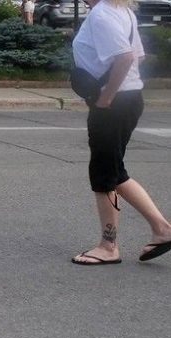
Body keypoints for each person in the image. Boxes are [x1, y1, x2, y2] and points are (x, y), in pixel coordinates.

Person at [70, 0, 171, 265]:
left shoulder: (103, 13)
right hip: (128, 99)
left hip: (114, 104)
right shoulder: (122, 11)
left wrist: (105, 97)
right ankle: (162, 229)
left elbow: (126, 57)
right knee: (115, 171)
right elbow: (137, 55)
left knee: (104, 174)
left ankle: (108, 247)